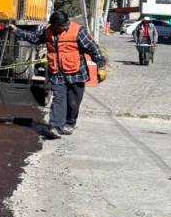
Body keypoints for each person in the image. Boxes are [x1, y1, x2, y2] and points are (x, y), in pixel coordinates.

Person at [11, 11, 107, 139]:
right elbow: (33, 37)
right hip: (57, 73)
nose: (66, 26)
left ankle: (70, 123)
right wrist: (16, 30)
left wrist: (101, 66)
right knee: (58, 99)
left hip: (77, 73)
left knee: (73, 102)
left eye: (67, 24)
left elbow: (93, 49)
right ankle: (55, 127)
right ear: (55, 25)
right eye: (63, 25)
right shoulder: (47, 31)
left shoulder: (78, 31)